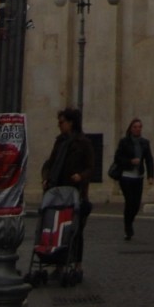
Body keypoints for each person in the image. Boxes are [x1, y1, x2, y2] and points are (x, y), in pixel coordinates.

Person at [40, 108, 94, 259]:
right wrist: (46, 178)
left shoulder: (84, 143)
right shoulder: (60, 141)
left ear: (71, 123)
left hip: (76, 191)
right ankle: (59, 261)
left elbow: (90, 168)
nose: (59, 125)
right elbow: (50, 163)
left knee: (76, 229)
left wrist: (80, 176)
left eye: (62, 122)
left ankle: (77, 262)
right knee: (57, 227)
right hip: (57, 191)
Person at [110, 116, 154, 240]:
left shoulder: (145, 143)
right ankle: (128, 226)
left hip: (138, 177)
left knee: (136, 204)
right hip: (126, 176)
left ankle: (129, 221)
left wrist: (150, 176)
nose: (137, 129)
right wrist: (130, 161)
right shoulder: (124, 142)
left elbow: (149, 160)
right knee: (129, 201)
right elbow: (117, 158)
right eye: (135, 127)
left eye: (139, 127)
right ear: (131, 128)